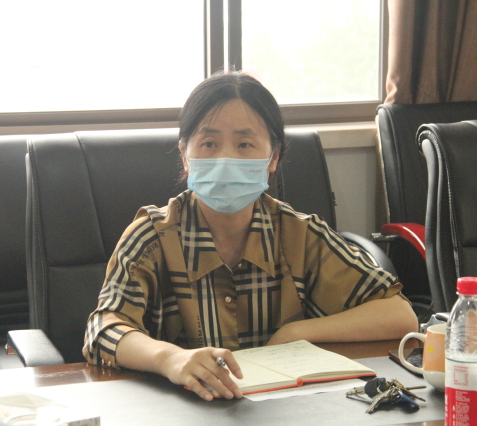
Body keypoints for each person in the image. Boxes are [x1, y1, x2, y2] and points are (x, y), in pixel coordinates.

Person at [82, 71, 417, 401]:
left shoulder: (299, 234)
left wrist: (297, 332)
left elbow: (399, 316)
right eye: (209, 144)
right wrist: (170, 358)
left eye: (244, 144)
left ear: (273, 157)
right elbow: (103, 330)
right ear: (184, 154)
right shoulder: (151, 236)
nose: (225, 159)